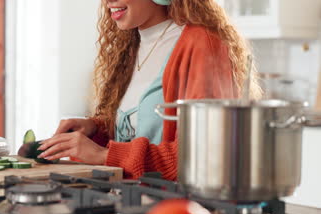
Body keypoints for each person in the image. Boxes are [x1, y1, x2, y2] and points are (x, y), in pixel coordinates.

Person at [38, 0, 261, 179]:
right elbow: (143, 130)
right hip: (131, 202)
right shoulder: (130, 43)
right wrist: (95, 130)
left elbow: (203, 155)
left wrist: (103, 155)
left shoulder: (203, 44)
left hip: (179, 213)